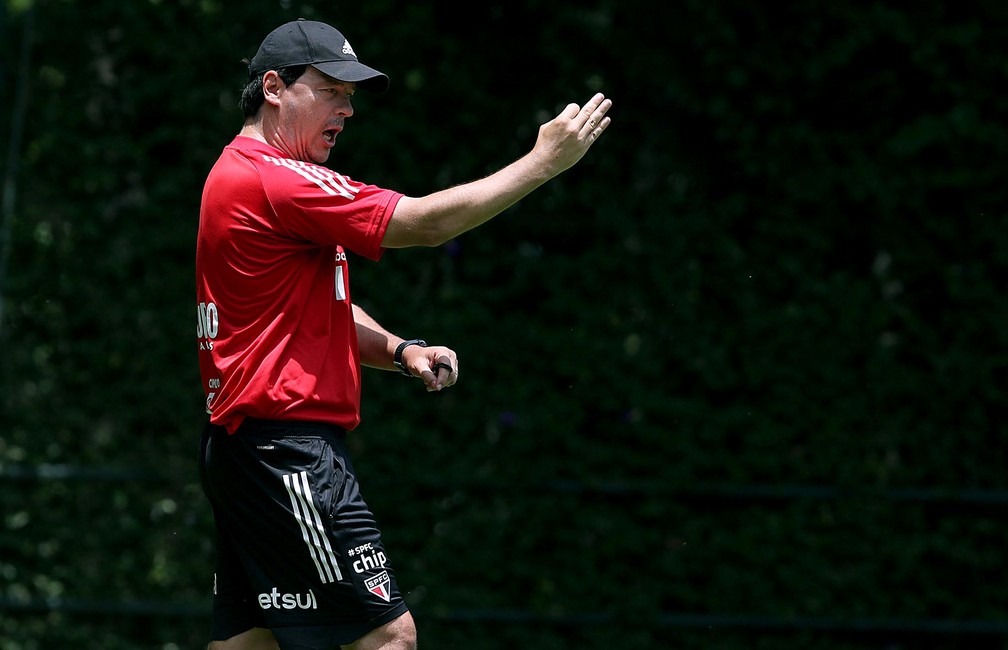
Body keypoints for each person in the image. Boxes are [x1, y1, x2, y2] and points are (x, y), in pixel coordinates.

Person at [195, 17, 612, 650]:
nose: (347, 108)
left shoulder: (244, 175)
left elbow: (312, 312)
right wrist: (542, 163)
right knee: (387, 638)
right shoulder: (274, 177)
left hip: (247, 447)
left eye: (352, 96)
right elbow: (421, 224)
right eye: (332, 89)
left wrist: (399, 349)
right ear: (274, 87)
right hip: (288, 451)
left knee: (252, 643)